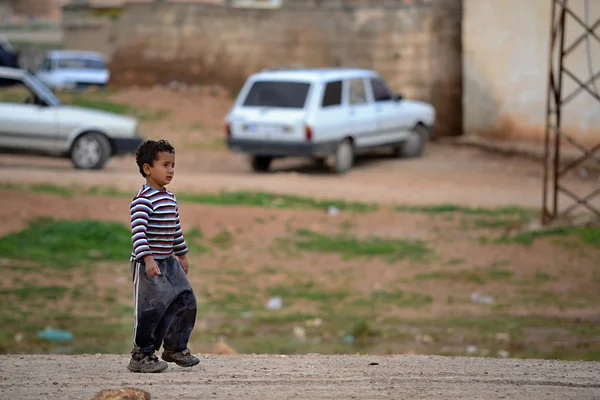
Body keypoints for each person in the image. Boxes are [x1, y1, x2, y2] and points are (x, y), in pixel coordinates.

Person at [127, 139, 199, 373]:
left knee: (185, 299)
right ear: (148, 169)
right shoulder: (142, 201)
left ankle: (175, 347)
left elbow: (174, 228)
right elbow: (138, 234)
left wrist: (182, 253)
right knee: (151, 309)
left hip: (169, 261)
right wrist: (147, 259)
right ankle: (142, 354)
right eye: (165, 165)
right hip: (148, 264)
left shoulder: (169, 198)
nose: (171, 170)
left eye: (173, 165)